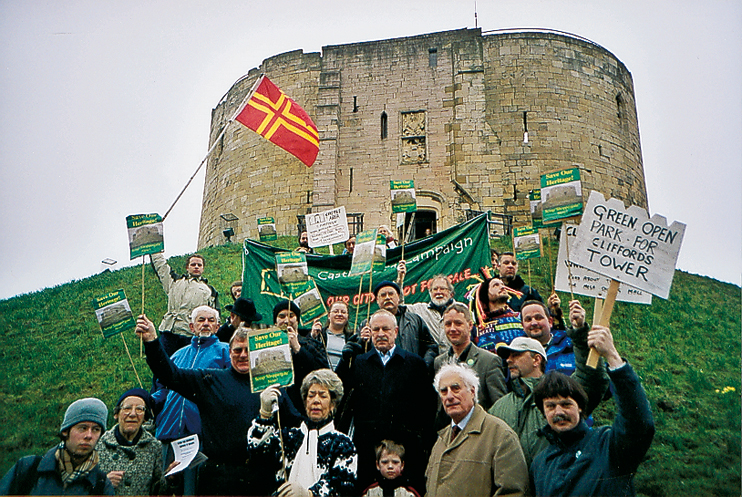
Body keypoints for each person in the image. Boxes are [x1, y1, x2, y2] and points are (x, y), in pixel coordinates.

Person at [135, 315, 302, 495]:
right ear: (229, 353)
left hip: (261, 477)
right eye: (237, 350)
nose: (243, 355)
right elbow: (171, 375)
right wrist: (152, 342)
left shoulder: (273, 386)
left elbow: (296, 424)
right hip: (219, 478)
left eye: (248, 350)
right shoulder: (211, 380)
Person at [531, 325, 655, 497]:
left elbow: (639, 422)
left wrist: (612, 356)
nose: (558, 412)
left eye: (566, 404)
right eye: (550, 406)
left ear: (581, 407)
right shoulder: (540, 463)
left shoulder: (609, 445)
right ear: (543, 412)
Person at [489, 301, 609, 467]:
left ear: (536, 359)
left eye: (516, 355)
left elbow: (590, 377)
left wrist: (581, 333)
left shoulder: (561, 394)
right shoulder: (500, 406)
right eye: (508, 355)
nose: (509, 360)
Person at [335, 310, 436, 491]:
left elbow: (427, 407)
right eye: (376, 329)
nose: (381, 334)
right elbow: (340, 394)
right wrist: (345, 360)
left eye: (386, 329)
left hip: (405, 449)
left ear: (395, 332)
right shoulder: (359, 362)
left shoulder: (415, 363)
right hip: (368, 449)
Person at [150, 305, 230, 494]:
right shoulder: (177, 355)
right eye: (201, 320)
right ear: (191, 326)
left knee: (194, 489)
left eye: (211, 320)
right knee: (166, 486)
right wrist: (149, 402)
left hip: (201, 434)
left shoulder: (225, 352)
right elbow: (162, 388)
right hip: (170, 432)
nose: (206, 324)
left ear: (218, 327)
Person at [246, 370, 357, 497]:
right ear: (305, 402)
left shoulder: (343, 444)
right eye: (311, 395)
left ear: (333, 404)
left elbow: (344, 486)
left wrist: (309, 494)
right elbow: (256, 453)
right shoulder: (288, 437)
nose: (316, 400)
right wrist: (265, 414)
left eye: (322, 395)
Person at [425, 362, 529, 496]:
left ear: (472, 392)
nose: (449, 396)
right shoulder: (441, 440)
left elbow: (513, 492)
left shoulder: (500, 435)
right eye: (444, 391)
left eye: (455, 388)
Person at [0, 398, 114, 495]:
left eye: (96, 430)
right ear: (65, 431)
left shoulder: (101, 486)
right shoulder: (29, 468)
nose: (89, 435)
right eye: (82, 428)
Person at [98, 388, 176, 496]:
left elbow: (159, 491)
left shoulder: (154, 447)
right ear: (116, 414)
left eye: (139, 409)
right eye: (127, 408)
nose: (133, 414)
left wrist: (170, 479)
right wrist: (103, 484)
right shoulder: (99, 444)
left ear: (145, 418)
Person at [434, 303, 506, 416]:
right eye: (448, 324)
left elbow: (500, 407)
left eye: (458, 323)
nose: (452, 329)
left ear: (470, 325)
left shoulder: (489, 361)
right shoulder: (439, 362)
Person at [352, 281, 438, 368]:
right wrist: (361, 340)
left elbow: (431, 347)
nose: (387, 298)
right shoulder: (367, 324)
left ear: (398, 297)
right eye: (383, 295)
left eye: (391, 294)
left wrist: (424, 365)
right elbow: (355, 352)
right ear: (377, 300)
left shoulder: (415, 320)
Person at [151, 252, 220, 357]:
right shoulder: (174, 282)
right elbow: (161, 267)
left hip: (190, 335)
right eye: (193, 264)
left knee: (186, 369)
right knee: (162, 366)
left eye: (199, 265)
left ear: (203, 269)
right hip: (169, 332)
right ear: (187, 267)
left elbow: (215, 315)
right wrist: (154, 249)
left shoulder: (210, 290)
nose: (196, 267)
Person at [273, 300, 332, 414]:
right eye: (282, 316)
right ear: (275, 322)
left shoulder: (313, 344)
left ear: (297, 320)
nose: (287, 320)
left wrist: (297, 348)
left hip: (302, 408)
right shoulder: (267, 346)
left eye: (291, 316)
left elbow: (323, 372)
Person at [395, 263, 461, 351]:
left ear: (451, 293)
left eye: (442, 288)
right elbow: (399, 307)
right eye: (435, 289)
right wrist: (399, 281)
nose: (438, 292)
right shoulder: (420, 309)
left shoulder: (461, 309)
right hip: (431, 362)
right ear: (430, 293)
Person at [469, 277, 524, 352]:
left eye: (502, 284)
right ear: (486, 294)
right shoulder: (477, 328)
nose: (502, 287)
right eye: (495, 285)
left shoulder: (521, 317)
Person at [521, 299, 575, 375]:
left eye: (538, 318)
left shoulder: (571, 344)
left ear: (550, 322)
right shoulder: (516, 353)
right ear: (522, 325)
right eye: (528, 319)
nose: (534, 323)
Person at [310, 301, 354, 370]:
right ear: (329, 315)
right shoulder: (319, 334)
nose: (339, 314)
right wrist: (313, 336)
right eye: (336, 311)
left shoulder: (352, 338)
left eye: (343, 312)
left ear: (348, 316)